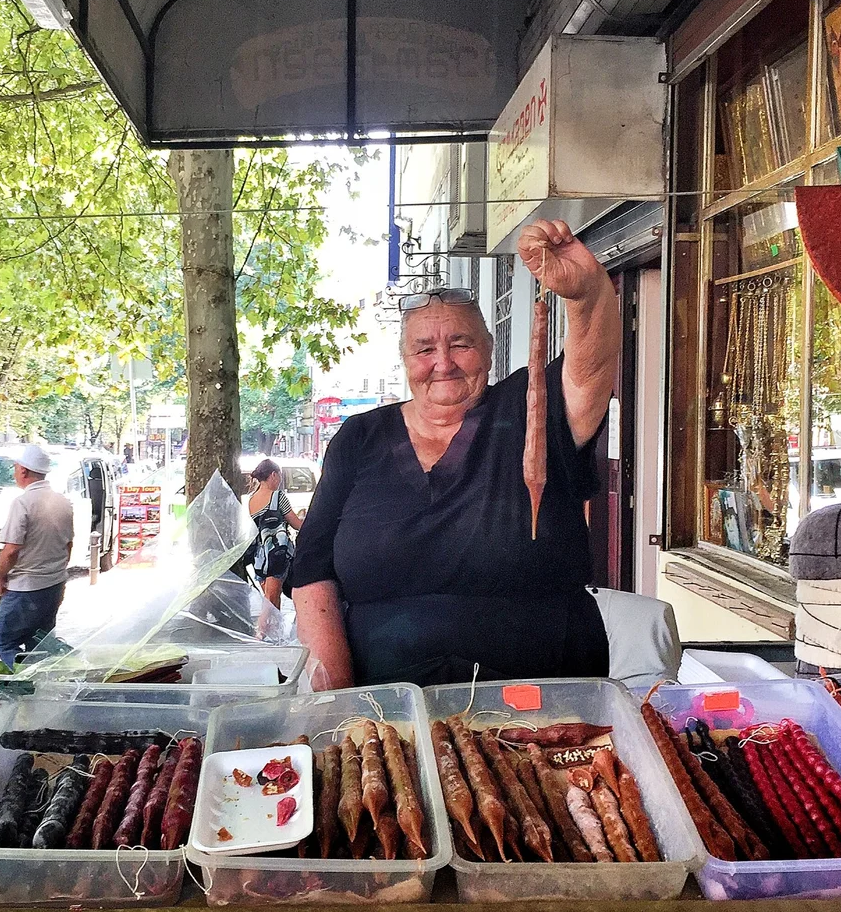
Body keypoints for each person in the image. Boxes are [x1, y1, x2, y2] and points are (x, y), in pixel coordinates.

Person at [289, 218, 621, 687]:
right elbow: (312, 572)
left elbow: (590, 370)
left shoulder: (531, 406)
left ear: (488, 349)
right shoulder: (360, 438)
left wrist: (586, 294)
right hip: (388, 717)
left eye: (460, 344)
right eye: (424, 349)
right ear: (406, 361)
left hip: (544, 705)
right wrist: (339, 707)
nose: (442, 363)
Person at [0, 444, 74, 667]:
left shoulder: (23, 503)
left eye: (16, 467)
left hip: (25, 587)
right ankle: (43, 680)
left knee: (3, 642)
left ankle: (27, 682)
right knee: (39, 641)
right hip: (54, 584)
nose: (14, 471)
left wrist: (0, 579)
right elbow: (68, 545)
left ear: (24, 471)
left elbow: (11, 550)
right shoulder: (63, 502)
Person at [246, 459, 304, 618]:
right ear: (273, 475)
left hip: (259, 557)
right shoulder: (278, 496)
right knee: (271, 600)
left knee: (272, 597)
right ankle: (261, 635)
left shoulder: (251, 500)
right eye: (279, 476)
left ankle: (274, 636)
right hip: (276, 554)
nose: (279, 481)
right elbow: (296, 524)